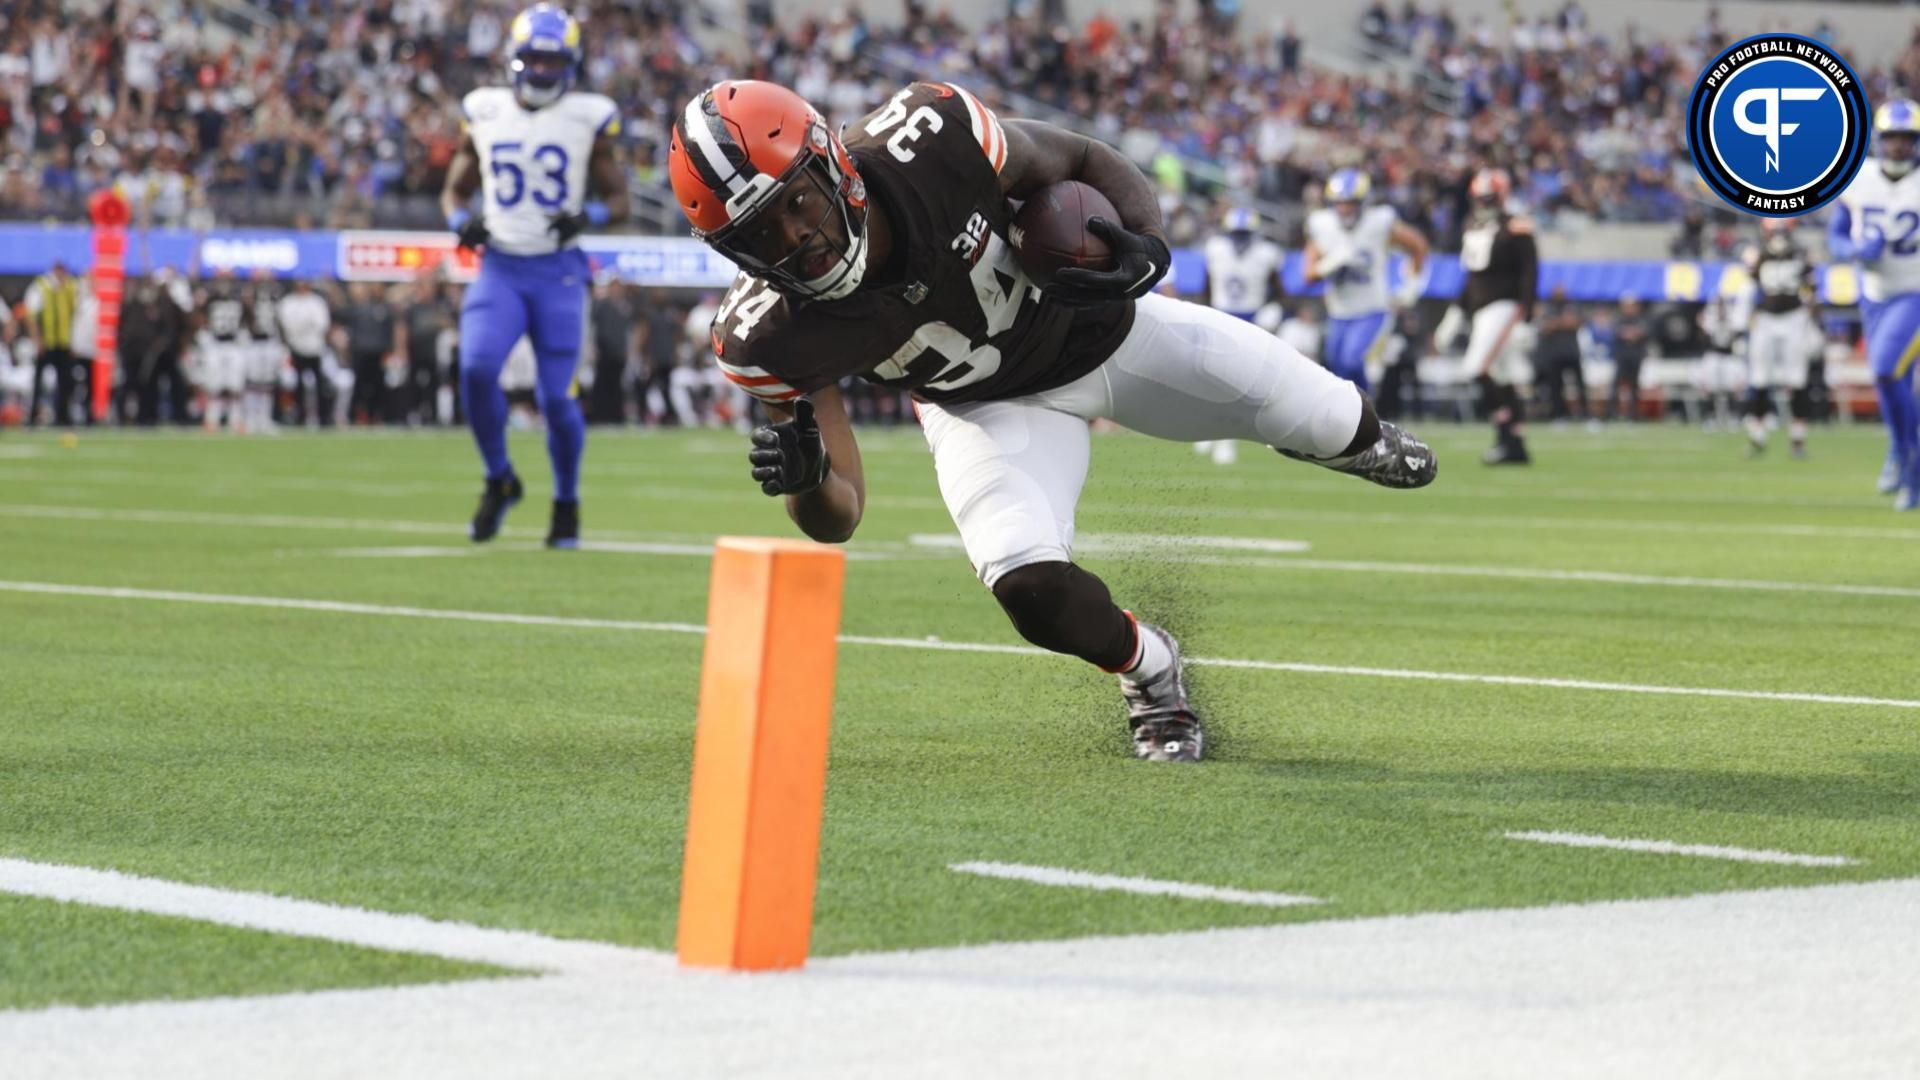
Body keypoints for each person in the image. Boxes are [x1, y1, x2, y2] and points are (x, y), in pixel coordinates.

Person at [668, 80, 1437, 763]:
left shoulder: (931, 137)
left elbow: (1085, 158)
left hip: (1103, 333)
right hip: (985, 409)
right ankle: (1151, 669)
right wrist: (805, 484)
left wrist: (1145, 241)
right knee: (1025, 580)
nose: (794, 237)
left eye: (795, 201)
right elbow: (840, 514)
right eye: (760, 234)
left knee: (1333, 415)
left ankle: (1351, 442)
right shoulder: (763, 336)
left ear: (830, 161)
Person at [440, 3, 630, 548]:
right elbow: (453, 189)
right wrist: (459, 222)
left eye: (554, 61)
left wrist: (587, 215)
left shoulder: (587, 116)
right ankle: (499, 478)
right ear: (515, 60)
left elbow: (617, 198)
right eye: (535, 60)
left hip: (558, 272)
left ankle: (566, 503)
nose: (544, 71)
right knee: (475, 369)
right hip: (499, 265)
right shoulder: (484, 109)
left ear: (569, 63)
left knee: (555, 398)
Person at [1830, 98, 1920, 509]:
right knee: (1896, 382)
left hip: (1915, 292)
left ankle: (1901, 451)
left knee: (1883, 367)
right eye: (1892, 138)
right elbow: (1835, 237)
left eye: (1906, 138)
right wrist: (1857, 249)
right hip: (1874, 294)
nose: (1899, 146)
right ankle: (1912, 475)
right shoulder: (1858, 179)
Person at [1436, 168, 1538, 465]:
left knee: (1476, 368)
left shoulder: (1515, 228)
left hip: (1504, 308)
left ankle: (1506, 434)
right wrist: (1454, 315)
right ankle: (1513, 443)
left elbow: (1530, 276)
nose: (1484, 203)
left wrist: (1526, 317)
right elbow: (1471, 279)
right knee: (1501, 376)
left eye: (1489, 198)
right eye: (1480, 198)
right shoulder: (1473, 228)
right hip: (1481, 311)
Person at [1302, 168, 1429, 393]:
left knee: (1353, 361)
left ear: (1363, 202)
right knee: (1337, 368)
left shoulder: (1379, 222)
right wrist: (1328, 264)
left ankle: (1367, 414)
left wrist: (1411, 284)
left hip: (1372, 310)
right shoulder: (1322, 225)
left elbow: (1418, 246)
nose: (1344, 208)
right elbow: (1308, 275)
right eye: (1339, 202)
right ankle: (1353, 420)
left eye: (1350, 202)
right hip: (1338, 312)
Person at [1195, 206, 1284, 465]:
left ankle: (1225, 439)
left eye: (1244, 234)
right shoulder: (1215, 249)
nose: (1240, 240)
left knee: (1239, 384)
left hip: (1252, 320)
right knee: (1212, 380)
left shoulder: (1266, 254)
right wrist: (1203, 316)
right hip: (1222, 317)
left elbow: (1280, 290)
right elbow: (1205, 288)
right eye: (1236, 233)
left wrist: (1274, 309)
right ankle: (1208, 432)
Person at [1742, 225, 1817, 459]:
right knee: (1760, 378)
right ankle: (1758, 437)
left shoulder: (1799, 254)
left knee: (1797, 379)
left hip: (1793, 318)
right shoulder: (1759, 254)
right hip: (1766, 319)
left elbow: (1811, 287)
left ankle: (1797, 439)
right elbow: (1751, 284)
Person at [23, 260, 79, 427]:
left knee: (65, 383)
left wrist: (72, 342)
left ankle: (62, 417)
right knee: (38, 383)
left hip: (63, 344)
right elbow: (31, 315)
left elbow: (74, 316)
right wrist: (37, 340)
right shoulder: (41, 286)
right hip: (46, 344)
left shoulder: (70, 287)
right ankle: (33, 416)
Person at [276, 279, 334, 428]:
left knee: (320, 384)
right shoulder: (288, 302)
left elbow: (322, 324)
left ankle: (323, 417)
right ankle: (299, 417)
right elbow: (286, 323)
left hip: (315, 348)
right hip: (296, 347)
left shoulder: (316, 302)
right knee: (298, 385)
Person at [1604, 294, 1651, 424]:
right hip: (1622, 357)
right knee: (1617, 386)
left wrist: (1631, 334)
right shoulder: (1619, 319)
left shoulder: (1641, 319)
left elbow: (1645, 332)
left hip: (1636, 357)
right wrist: (1629, 334)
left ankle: (1634, 415)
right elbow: (1615, 333)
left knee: (1634, 387)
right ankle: (1612, 414)